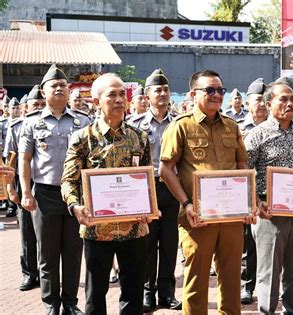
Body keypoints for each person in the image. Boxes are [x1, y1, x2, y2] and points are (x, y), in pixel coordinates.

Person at [159, 69, 253, 314]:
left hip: (231, 217)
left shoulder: (232, 127)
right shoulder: (180, 127)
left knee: (231, 279)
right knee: (196, 280)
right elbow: (166, 170)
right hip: (196, 218)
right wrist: (187, 204)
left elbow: (242, 166)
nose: (216, 95)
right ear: (193, 94)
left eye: (220, 90)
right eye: (209, 90)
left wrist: (247, 204)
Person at [61, 73, 155, 315]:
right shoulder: (83, 139)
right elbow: (68, 181)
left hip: (134, 227)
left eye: (122, 94)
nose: (119, 99)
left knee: (133, 293)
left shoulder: (140, 137)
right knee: (95, 294)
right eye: (111, 94)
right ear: (96, 102)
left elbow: (147, 181)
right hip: (97, 229)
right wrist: (75, 206)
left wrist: (149, 207)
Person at [18, 64, 90, 315]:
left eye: (63, 85)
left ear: (69, 91)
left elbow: (91, 160)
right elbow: (24, 160)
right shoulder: (31, 123)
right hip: (45, 194)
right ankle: (51, 304)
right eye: (54, 86)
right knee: (47, 254)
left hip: (76, 195)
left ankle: (70, 303)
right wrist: (26, 193)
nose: (59, 89)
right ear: (43, 91)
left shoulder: (83, 121)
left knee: (73, 252)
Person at [245, 80, 293, 314]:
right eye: (283, 99)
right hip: (270, 214)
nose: (289, 104)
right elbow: (245, 173)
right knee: (269, 271)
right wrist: (257, 202)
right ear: (268, 104)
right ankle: (267, 310)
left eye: (292, 99)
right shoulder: (256, 135)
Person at [129, 69, 181, 311]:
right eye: (157, 90)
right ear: (147, 95)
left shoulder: (179, 124)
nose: (162, 94)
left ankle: (167, 292)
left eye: (165, 90)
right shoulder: (135, 125)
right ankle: (148, 291)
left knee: (170, 243)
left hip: (172, 189)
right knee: (147, 243)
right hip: (146, 190)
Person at [4, 85, 45, 291]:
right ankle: (30, 273)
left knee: (48, 234)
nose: (39, 107)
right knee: (27, 232)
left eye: (41, 104)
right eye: (34, 104)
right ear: (26, 108)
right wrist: (10, 189)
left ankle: (47, 275)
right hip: (23, 184)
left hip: (45, 184)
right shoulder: (16, 126)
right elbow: (9, 161)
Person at [238, 77, 267, 305]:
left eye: (266, 99)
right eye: (258, 99)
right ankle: (247, 285)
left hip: (271, 193)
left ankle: (269, 286)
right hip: (245, 193)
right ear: (248, 103)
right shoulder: (236, 126)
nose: (263, 104)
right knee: (247, 243)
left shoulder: (278, 125)